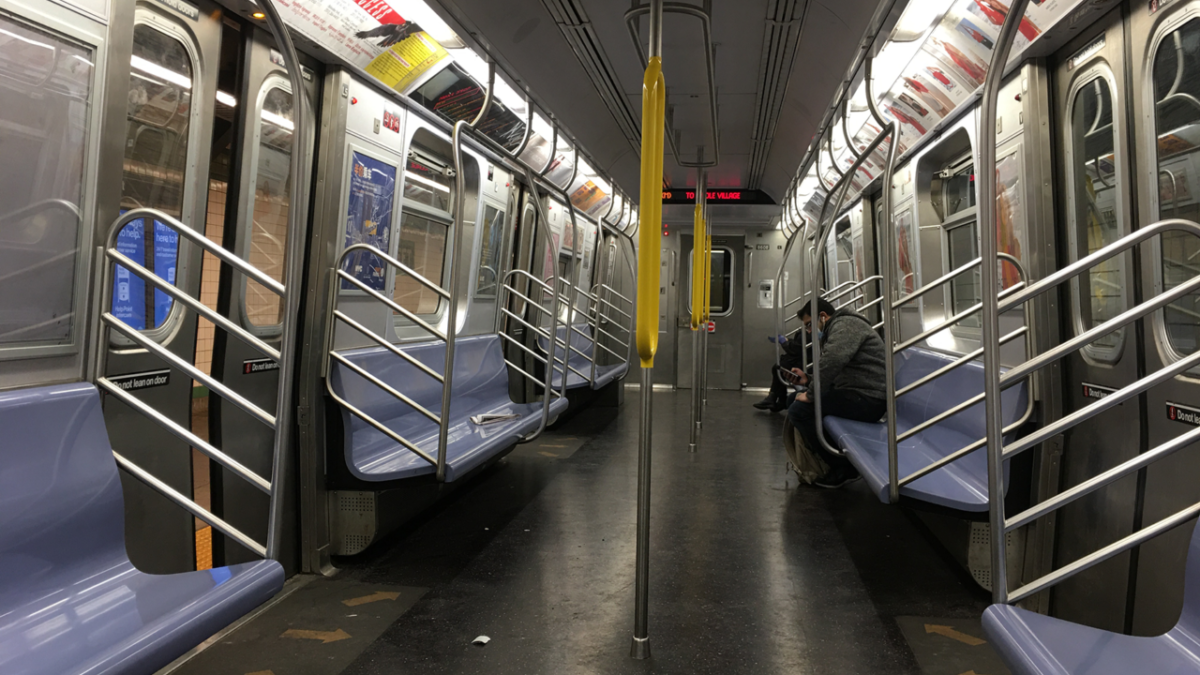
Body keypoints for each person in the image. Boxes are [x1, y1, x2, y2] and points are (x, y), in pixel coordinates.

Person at [785, 297, 887, 489]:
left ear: (822, 316)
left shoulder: (846, 325)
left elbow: (833, 361)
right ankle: (824, 460)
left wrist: (811, 394)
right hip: (855, 392)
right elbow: (836, 369)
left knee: (800, 410)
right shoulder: (837, 327)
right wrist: (808, 380)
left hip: (869, 398)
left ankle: (843, 467)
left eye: (809, 325)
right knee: (793, 400)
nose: (808, 331)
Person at [753, 316, 810, 412]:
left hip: (807, 363)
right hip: (804, 360)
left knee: (779, 367)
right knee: (779, 366)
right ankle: (776, 398)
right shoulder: (809, 330)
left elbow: (796, 350)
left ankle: (776, 398)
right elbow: (799, 345)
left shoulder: (812, 331)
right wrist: (787, 341)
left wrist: (784, 342)